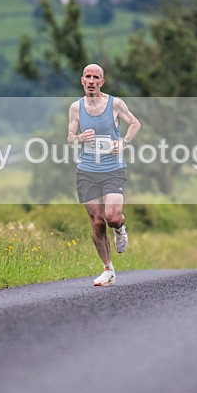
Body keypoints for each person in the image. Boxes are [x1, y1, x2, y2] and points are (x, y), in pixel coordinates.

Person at [68, 63, 141, 286]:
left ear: (102, 82)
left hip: (112, 170)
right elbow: (70, 137)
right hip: (87, 171)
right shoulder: (76, 108)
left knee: (112, 216)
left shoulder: (115, 104)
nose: (91, 81)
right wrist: (80, 138)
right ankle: (108, 269)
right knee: (97, 222)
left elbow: (135, 123)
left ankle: (120, 228)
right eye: (87, 77)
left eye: (95, 77)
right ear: (82, 81)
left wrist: (123, 142)